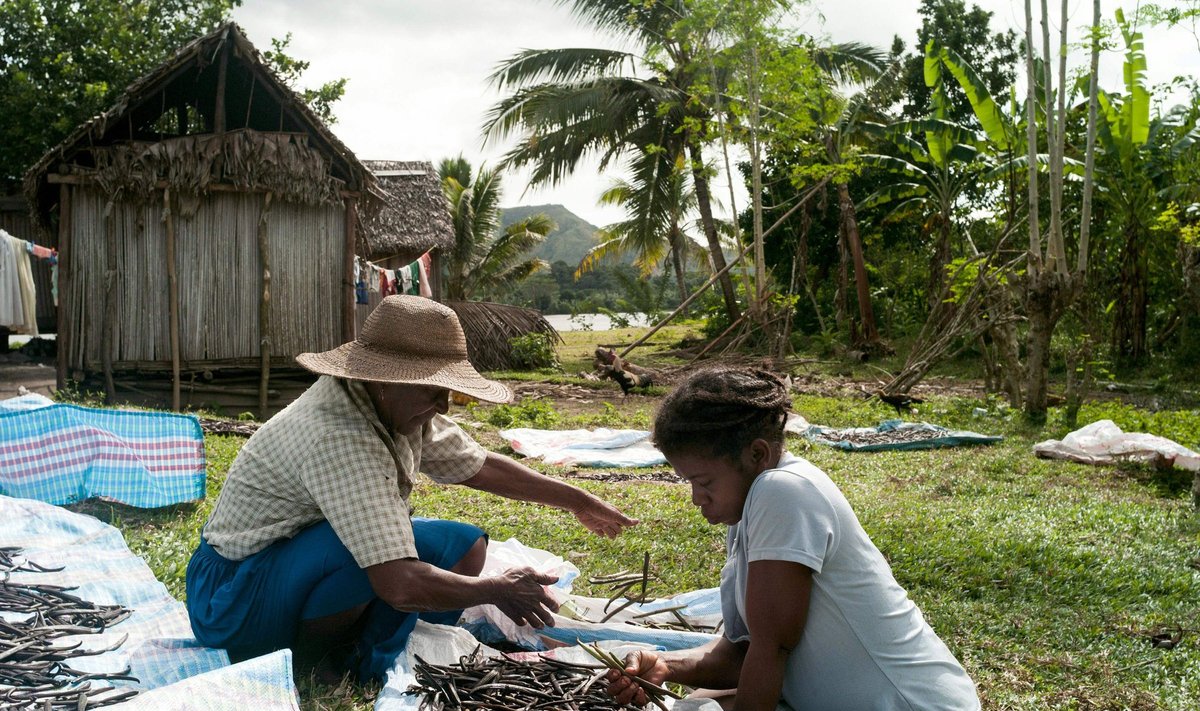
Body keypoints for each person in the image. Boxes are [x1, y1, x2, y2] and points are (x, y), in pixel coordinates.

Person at [185, 295, 638, 682]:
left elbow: (477, 467)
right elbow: (399, 584)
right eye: (433, 389)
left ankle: (375, 647)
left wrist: (576, 499)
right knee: (365, 554)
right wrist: (497, 590)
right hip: (234, 598)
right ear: (385, 379)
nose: (443, 404)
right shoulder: (339, 435)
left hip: (291, 563)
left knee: (464, 543)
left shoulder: (394, 407)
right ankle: (320, 662)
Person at [606, 366, 979, 711]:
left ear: (757, 454)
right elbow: (745, 653)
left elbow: (772, 648)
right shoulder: (750, 507)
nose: (696, 498)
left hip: (913, 704)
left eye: (704, 482)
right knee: (701, 702)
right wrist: (666, 665)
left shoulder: (782, 491)